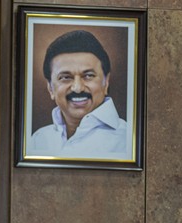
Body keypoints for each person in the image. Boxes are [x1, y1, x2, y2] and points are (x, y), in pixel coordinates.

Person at [30, 30, 129, 158]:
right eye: (65, 77)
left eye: (88, 76)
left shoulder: (127, 140)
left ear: (106, 82)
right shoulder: (38, 140)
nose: (77, 88)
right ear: (50, 88)